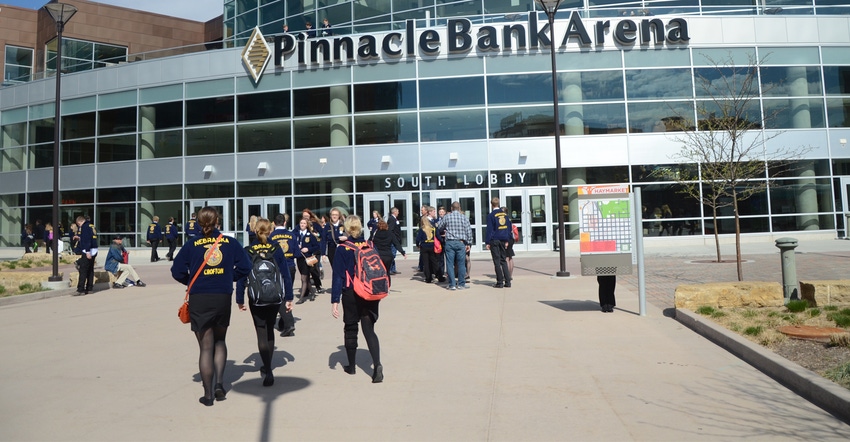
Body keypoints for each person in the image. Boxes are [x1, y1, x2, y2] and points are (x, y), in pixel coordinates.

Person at [170, 206, 251, 407]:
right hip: (222, 296)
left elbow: (177, 270)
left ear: (198, 223)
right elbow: (245, 267)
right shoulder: (230, 242)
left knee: (205, 346)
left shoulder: (192, 244)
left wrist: (191, 281)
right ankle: (220, 385)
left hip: (200, 297)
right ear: (218, 222)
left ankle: (207, 395)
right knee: (220, 341)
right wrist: (228, 277)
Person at [235, 218, 294, 387]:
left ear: (254, 231)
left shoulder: (248, 250)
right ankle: (268, 368)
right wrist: (288, 297)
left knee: (261, 331)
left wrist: (239, 299)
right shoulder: (276, 249)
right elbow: (285, 274)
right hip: (275, 297)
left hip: (257, 298)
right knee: (270, 329)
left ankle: (267, 368)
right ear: (270, 231)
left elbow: (241, 276)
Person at [331, 215, 383, 383]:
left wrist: (334, 301)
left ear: (346, 228)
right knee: (369, 330)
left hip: (351, 293)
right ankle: (377, 365)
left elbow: (338, 276)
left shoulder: (342, 248)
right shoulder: (369, 245)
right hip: (369, 292)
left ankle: (351, 366)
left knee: (351, 328)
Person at [269, 213, 299, 336]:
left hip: (278, 268)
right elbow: (297, 253)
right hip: (290, 267)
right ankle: (284, 322)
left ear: (274, 223)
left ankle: (288, 322)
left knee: (280, 296)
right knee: (287, 293)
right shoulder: (291, 235)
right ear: (285, 223)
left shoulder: (271, 236)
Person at [437, 201, 472, 290]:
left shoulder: (447, 217)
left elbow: (440, 227)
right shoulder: (464, 217)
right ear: (459, 208)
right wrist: (469, 243)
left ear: (451, 208)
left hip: (450, 242)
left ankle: (452, 284)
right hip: (460, 242)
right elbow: (469, 231)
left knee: (450, 263)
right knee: (461, 264)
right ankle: (461, 284)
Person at [485, 197, 512, 288]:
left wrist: (487, 242)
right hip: (503, 239)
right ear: (499, 204)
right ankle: (508, 281)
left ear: (491, 204)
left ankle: (500, 282)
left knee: (497, 261)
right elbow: (508, 228)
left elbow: (490, 230)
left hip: (495, 240)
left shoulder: (491, 215)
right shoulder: (505, 214)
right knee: (503, 260)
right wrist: (507, 240)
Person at [371, 220, 405, 286]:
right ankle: (387, 286)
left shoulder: (375, 233)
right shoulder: (390, 233)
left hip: (378, 255)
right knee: (387, 272)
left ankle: (380, 286)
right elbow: (396, 243)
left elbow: (370, 242)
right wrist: (402, 252)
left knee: (379, 272)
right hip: (388, 255)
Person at [295, 218, 320, 304]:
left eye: (304, 223)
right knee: (306, 279)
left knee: (303, 278)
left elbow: (317, 246)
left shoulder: (310, 235)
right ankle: (312, 293)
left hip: (307, 258)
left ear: (307, 225)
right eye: (301, 223)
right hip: (299, 258)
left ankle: (301, 298)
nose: (302, 225)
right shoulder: (296, 234)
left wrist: (308, 249)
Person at [301, 209, 324, 295]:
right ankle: (306, 288)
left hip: (315, 251)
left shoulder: (315, 224)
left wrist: (316, 235)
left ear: (310, 216)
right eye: (304, 216)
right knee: (305, 271)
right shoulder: (301, 225)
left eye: (307, 216)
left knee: (314, 269)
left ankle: (318, 286)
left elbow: (321, 234)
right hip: (304, 253)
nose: (305, 218)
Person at [415, 217, 444, 284]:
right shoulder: (433, 228)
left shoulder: (422, 229)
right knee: (434, 262)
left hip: (424, 247)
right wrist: (442, 242)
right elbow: (438, 236)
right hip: (431, 246)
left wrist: (417, 245)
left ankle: (428, 278)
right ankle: (439, 276)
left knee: (426, 263)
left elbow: (418, 239)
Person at [74, 215, 98, 296]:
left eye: (78, 225)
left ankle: (80, 289)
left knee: (83, 270)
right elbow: (90, 238)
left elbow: (87, 240)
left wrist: (87, 252)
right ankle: (89, 288)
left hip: (88, 250)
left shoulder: (84, 227)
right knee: (90, 270)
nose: (79, 226)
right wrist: (79, 238)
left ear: (79, 222)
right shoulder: (91, 226)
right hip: (94, 249)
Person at [386, 207, 402, 275]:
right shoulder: (392, 219)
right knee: (392, 255)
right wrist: (394, 238)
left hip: (396, 239)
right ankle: (389, 269)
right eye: (397, 211)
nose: (398, 213)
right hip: (393, 240)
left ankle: (393, 269)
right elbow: (390, 230)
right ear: (394, 212)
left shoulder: (395, 219)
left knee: (393, 255)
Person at [502, 207, 516, 277]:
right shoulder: (509, 219)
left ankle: (507, 275)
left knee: (506, 258)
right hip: (511, 238)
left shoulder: (504, 220)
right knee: (510, 257)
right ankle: (510, 275)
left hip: (506, 239)